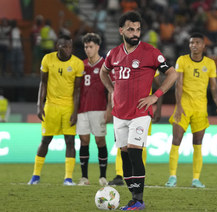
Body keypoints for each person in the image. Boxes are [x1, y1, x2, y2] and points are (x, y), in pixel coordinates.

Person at [99, 11, 177, 210]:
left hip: (140, 113)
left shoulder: (151, 52)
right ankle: (134, 197)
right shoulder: (113, 54)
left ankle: (139, 199)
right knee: (124, 154)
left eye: (138, 29)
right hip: (119, 113)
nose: (135, 33)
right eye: (131, 29)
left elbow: (172, 74)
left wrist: (155, 96)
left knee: (135, 152)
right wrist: (111, 90)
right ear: (121, 31)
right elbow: (103, 72)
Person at [164, 33, 217, 188]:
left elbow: (214, 86)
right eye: (191, 43)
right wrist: (178, 106)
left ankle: (196, 179)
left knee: (198, 143)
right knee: (176, 140)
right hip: (183, 106)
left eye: (197, 42)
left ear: (203, 46)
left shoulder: (210, 64)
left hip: (200, 108)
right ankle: (172, 177)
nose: (194, 45)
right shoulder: (182, 60)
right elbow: (179, 84)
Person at [28, 35, 84, 186]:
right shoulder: (47, 59)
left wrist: (75, 111)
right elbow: (43, 83)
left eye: (70, 46)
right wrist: (39, 105)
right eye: (65, 47)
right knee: (45, 140)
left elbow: (77, 90)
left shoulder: (77, 64)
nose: (68, 49)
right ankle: (35, 176)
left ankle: (68, 178)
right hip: (51, 106)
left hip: (68, 107)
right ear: (58, 47)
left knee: (70, 141)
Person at [108, 71, 163, 186]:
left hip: (142, 111)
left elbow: (160, 86)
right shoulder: (122, 60)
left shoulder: (150, 61)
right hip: (123, 110)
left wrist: (158, 107)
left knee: (140, 145)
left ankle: (138, 175)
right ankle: (119, 175)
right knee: (122, 144)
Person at [76, 33, 109, 186]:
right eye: (85, 47)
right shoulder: (80, 65)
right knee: (84, 141)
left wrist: (110, 109)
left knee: (99, 140)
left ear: (97, 47)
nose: (88, 50)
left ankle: (103, 176)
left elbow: (111, 90)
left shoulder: (105, 66)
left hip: (99, 109)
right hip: (82, 109)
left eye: (90, 47)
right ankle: (84, 177)